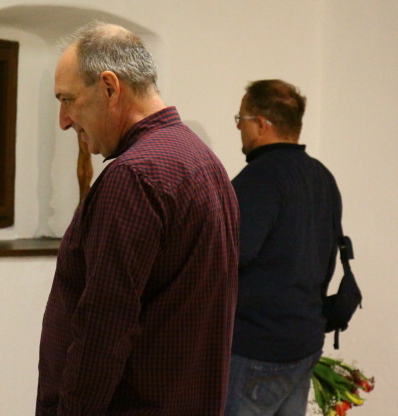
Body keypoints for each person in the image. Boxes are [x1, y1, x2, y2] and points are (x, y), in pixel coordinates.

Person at [36, 21, 239, 415]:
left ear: (110, 88)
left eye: (68, 100)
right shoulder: (203, 161)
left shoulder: (134, 177)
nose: (63, 120)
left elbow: (102, 330)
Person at [225, 80, 342, 415]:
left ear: (261, 124)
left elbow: (229, 257)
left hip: (256, 350)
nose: (238, 127)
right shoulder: (321, 176)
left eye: (241, 118)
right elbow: (328, 260)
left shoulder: (259, 179)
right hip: (305, 343)